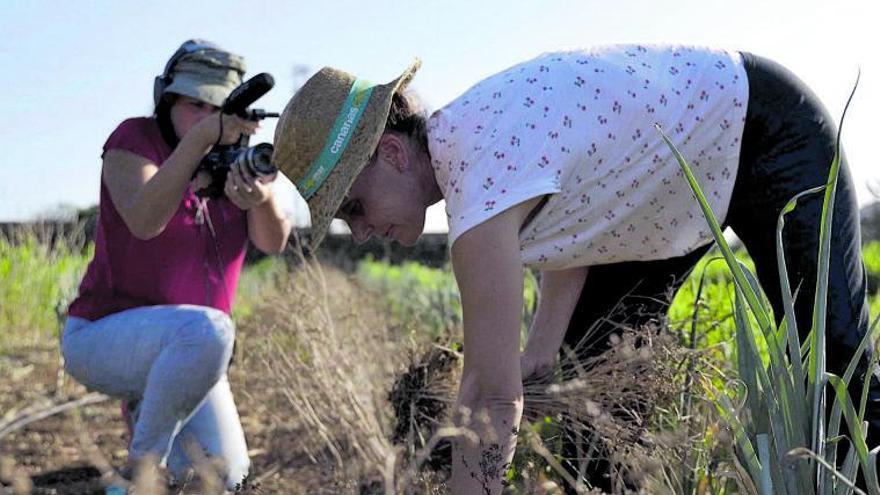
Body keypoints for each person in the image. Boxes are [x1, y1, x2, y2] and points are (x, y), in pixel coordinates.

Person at [272, 44, 872, 493]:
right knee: (590, 395)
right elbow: (582, 222)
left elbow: (488, 396)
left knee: (836, 364)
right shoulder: (474, 154)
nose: (363, 231)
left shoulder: (479, 180)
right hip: (666, 196)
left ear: (393, 152)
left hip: (769, 131)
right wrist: (542, 350)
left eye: (353, 207)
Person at [62, 39, 291, 491]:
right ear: (165, 100)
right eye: (194, 105)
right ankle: (141, 472)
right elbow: (145, 220)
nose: (205, 117)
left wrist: (261, 198)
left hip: (191, 353)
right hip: (102, 338)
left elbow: (274, 242)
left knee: (225, 478)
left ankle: (152, 404)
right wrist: (200, 142)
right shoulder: (134, 141)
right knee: (211, 331)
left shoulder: (237, 165)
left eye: (216, 109)